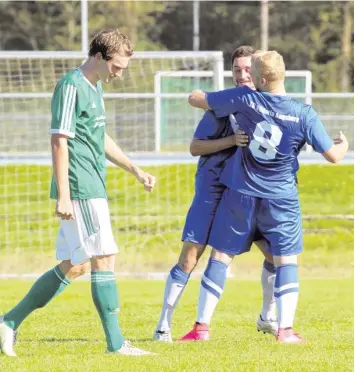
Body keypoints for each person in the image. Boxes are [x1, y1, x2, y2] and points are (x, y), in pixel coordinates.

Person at [0, 29, 156, 357]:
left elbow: (100, 137)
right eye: (117, 67)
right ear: (99, 56)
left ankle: (8, 322)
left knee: (77, 264)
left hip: (92, 184)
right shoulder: (71, 86)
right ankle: (116, 344)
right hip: (80, 186)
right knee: (104, 258)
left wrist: (135, 169)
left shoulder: (95, 87)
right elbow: (59, 140)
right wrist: (65, 195)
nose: (119, 74)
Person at [183, 50, 348, 343]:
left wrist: (202, 95)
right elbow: (334, 156)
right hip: (280, 199)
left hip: (241, 195)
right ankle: (284, 330)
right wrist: (344, 145)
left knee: (221, 256)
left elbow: (197, 98)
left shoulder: (245, 99)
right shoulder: (304, 113)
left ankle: (201, 328)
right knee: (286, 261)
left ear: (260, 79)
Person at [154, 46, 278, 343]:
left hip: (247, 192)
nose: (242, 75)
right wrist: (230, 141)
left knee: (275, 255)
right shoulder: (223, 104)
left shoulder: (265, 104)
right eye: (237, 70)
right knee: (191, 255)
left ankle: (267, 317)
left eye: (247, 69)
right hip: (213, 188)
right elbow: (195, 147)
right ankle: (163, 326)